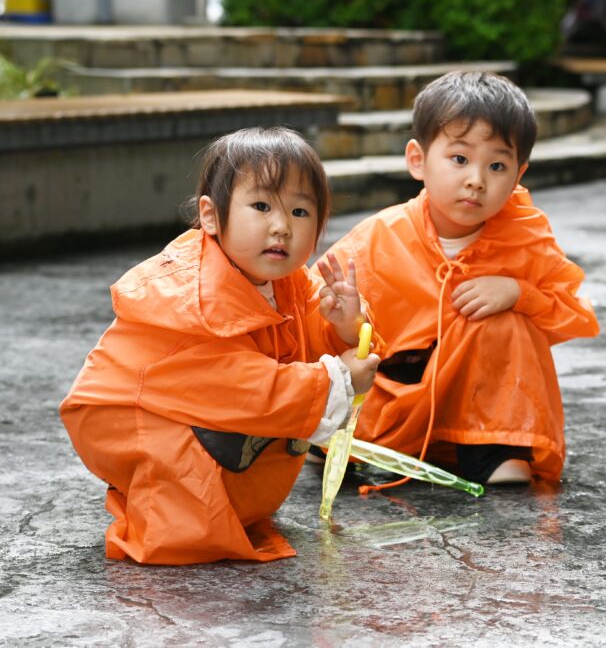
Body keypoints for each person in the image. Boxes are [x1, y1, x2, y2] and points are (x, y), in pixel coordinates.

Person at [60, 127, 380, 565]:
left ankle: (225, 503)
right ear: (211, 216)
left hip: (197, 399)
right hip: (131, 413)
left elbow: (304, 341)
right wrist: (336, 380)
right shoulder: (190, 296)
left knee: (239, 453)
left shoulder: (288, 282)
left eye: (300, 211)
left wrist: (346, 328)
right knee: (183, 492)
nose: (282, 226)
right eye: (262, 206)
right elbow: (236, 384)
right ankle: (168, 515)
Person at [319, 70, 600, 489]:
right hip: (396, 394)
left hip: (476, 409)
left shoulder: (522, 234)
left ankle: (494, 450)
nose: (476, 180)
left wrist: (518, 292)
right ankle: (346, 438)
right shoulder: (378, 238)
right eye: (459, 159)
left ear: (518, 175)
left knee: (506, 322)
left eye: (497, 165)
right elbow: (312, 323)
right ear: (418, 160)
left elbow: (572, 312)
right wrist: (344, 322)